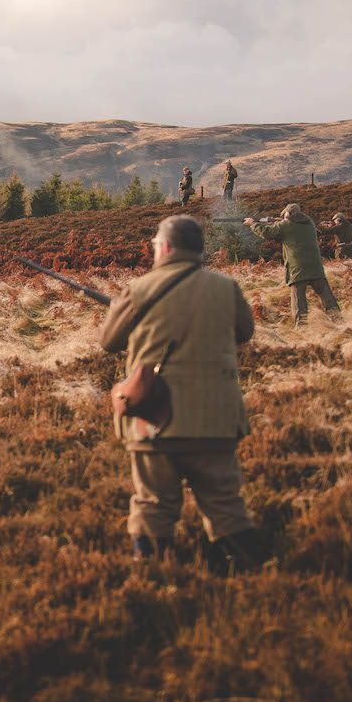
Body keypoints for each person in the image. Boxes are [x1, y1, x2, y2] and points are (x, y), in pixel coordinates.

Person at [98, 215, 262, 571]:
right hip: (217, 417)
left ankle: (154, 575)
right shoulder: (226, 287)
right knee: (225, 503)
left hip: (156, 417)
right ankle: (244, 577)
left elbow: (109, 341)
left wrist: (118, 309)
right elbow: (245, 331)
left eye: (156, 245)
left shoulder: (140, 289)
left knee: (153, 503)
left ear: (166, 247)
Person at [246, 204, 341, 324]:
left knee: (298, 300)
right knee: (326, 295)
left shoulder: (286, 224)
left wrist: (252, 223)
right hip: (315, 265)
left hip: (298, 267)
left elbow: (267, 232)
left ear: (288, 214)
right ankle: (337, 320)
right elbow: (291, 234)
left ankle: (301, 325)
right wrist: (280, 222)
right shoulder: (309, 223)